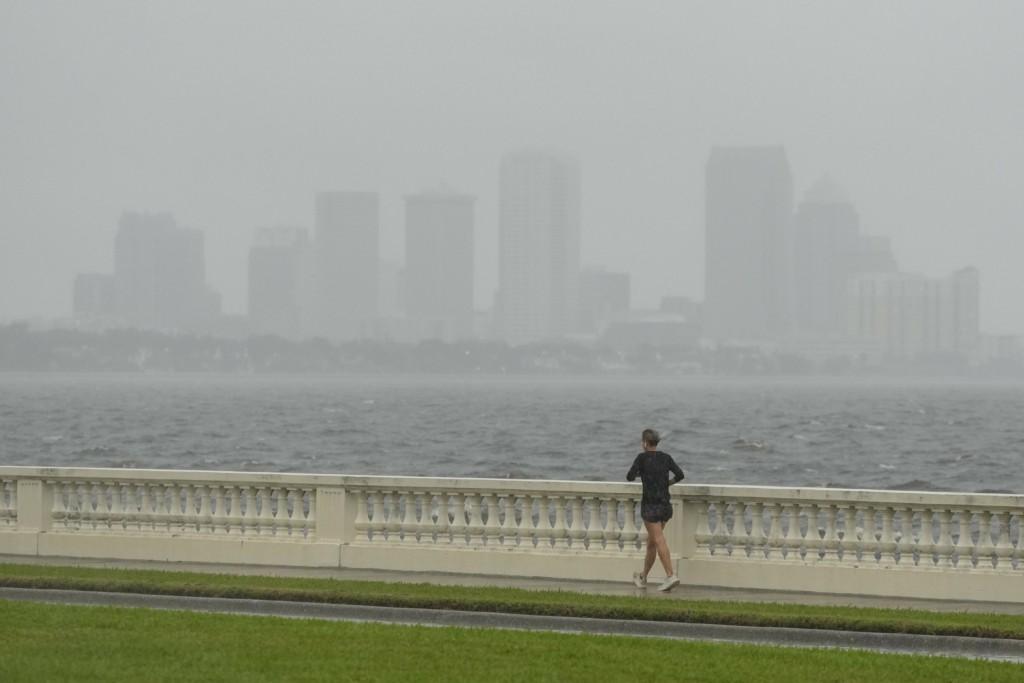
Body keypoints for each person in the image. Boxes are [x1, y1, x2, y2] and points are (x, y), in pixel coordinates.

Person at [626, 428, 684, 592]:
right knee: (651, 544)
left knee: (658, 540)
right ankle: (643, 577)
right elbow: (680, 474)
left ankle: (670, 575)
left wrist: (643, 475)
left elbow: (629, 476)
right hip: (665, 506)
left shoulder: (642, 458)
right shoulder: (666, 458)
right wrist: (667, 483)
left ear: (645, 443)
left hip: (650, 507)